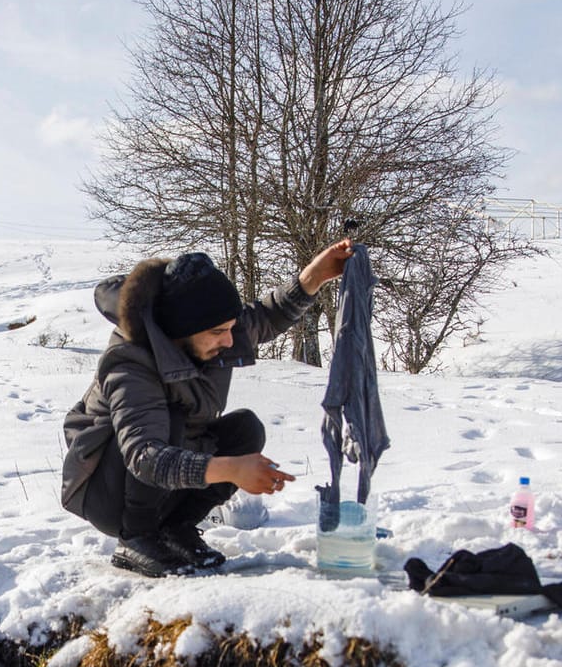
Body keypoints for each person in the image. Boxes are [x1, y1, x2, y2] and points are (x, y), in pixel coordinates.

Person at [61, 242, 353, 577]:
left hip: (163, 469)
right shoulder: (130, 362)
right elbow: (144, 455)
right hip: (107, 488)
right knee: (168, 421)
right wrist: (229, 468)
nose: (230, 341)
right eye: (218, 333)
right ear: (179, 331)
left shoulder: (209, 331)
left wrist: (314, 275)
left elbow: (265, 317)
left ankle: (175, 529)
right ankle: (137, 539)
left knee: (246, 429)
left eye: (230, 328)